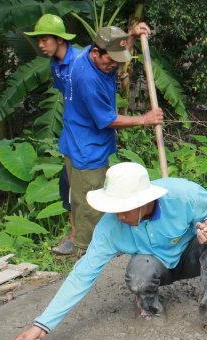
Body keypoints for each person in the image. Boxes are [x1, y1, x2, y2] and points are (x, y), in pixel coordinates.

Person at [12, 162, 207, 340]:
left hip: (189, 256)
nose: (118, 215)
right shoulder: (109, 227)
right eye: (115, 208)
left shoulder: (182, 195)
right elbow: (82, 274)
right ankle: (150, 309)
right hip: (154, 266)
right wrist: (41, 325)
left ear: (143, 201)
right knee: (139, 273)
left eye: (124, 209)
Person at [59, 25, 163, 256]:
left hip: (85, 140)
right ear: (96, 53)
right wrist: (144, 119)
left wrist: (131, 36)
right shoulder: (86, 78)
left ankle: (95, 248)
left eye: (116, 62)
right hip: (85, 148)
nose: (113, 66)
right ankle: (87, 254)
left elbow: (118, 52)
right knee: (90, 205)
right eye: (110, 62)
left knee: (88, 199)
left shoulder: (97, 56)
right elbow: (106, 120)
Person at [24, 14, 80, 255]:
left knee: (88, 187)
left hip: (88, 136)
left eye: (45, 39)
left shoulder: (80, 61)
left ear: (59, 39)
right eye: (39, 40)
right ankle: (74, 235)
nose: (41, 44)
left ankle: (81, 238)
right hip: (70, 134)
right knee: (67, 184)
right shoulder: (55, 65)